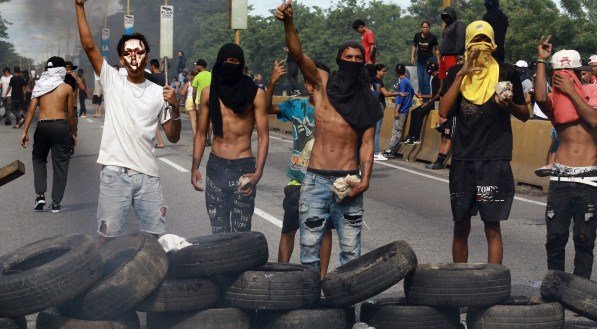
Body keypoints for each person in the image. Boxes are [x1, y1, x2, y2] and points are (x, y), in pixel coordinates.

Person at [276, 1, 382, 268]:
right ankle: (310, 305)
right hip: (314, 181)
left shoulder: (367, 101)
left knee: (350, 251)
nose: (354, 62)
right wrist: (289, 22)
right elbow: (299, 55)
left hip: (349, 182)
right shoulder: (323, 84)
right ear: (339, 60)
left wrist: (365, 181)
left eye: (359, 59)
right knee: (309, 249)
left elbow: (367, 144)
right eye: (349, 58)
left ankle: (348, 308)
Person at [75, 0, 181, 243]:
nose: (134, 57)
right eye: (128, 53)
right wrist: (79, 6)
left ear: (147, 57)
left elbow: (173, 136)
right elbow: (89, 45)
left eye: (139, 52)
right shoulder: (113, 80)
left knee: (154, 238)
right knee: (107, 237)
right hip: (115, 173)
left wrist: (175, 106)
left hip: (149, 176)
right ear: (121, 59)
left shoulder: (158, 92)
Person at [439, 21, 529, 265]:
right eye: (475, 42)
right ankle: (460, 282)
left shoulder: (506, 72)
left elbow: (525, 114)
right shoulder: (456, 73)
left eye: (486, 41)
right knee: (461, 226)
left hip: (494, 158)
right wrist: (461, 74)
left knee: (492, 226)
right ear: (467, 44)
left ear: (493, 44)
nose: (481, 48)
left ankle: (493, 283)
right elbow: (444, 111)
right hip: (463, 159)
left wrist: (508, 104)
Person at [534, 38, 597, 279]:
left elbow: (593, 120)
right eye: (558, 73)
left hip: (589, 179)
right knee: (554, 237)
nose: (562, 77)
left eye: (567, 72)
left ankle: (580, 289)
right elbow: (540, 98)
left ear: (579, 74)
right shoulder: (557, 102)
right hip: (560, 176)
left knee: (584, 238)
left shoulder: (592, 93)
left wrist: (571, 91)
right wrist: (541, 60)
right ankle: (555, 285)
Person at [191, 43, 269, 234]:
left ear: (241, 65)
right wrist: (194, 167)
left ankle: (242, 265)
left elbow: (263, 136)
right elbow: (201, 133)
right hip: (216, 165)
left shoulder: (255, 94)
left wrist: (258, 172)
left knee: (242, 231)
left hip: (243, 167)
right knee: (218, 230)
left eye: (233, 61)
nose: (229, 65)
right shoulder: (210, 92)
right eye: (225, 61)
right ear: (218, 63)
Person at [266, 60, 334, 277]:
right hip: (299, 181)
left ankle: (321, 279)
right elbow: (267, 108)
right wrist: (272, 82)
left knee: (324, 231)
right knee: (289, 229)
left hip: (326, 179)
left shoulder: (336, 110)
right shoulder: (296, 106)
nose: (319, 86)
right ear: (308, 85)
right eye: (315, 81)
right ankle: (281, 276)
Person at [19, 56, 77, 213]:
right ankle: (56, 202)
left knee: (38, 159)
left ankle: (40, 195)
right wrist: (73, 133)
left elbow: (31, 111)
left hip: (43, 126)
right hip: (61, 126)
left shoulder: (40, 86)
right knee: (61, 164)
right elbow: (71, 114)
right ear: (61, 70)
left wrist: (24, 131)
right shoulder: (66, 88)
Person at [383, 63, 415, 159]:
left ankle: (390, 150)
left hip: (401, 110)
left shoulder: (402, 83)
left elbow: (401, 98)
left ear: (397, 72)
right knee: (397, 130)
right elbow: (412, 93)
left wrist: (396, 110)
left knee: (396, 131)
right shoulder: (407, 81)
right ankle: (391, 149)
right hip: (405, 107)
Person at [405, 62, 441, 145]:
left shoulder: (439, 79)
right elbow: (434, 94)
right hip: (433, 101)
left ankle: (416, 137)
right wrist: (423, 96)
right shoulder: (434, 79)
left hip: (439, 103)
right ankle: (410, 135)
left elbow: (439, 95)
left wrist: (428, 102)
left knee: (420, 112)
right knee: (414, 112)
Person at [372, 64, 399, 161]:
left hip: (374, 106)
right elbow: (386, 93)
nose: (384, 73)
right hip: (379, 105)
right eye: (383, 71)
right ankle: (375, 152)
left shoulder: (373, 80)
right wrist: (397, 93)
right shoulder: (378, 80)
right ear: (377, 71)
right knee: (377, 131)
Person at [411, 21, 440, 98]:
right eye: (423, 27)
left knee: (426, 82)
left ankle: (426, 101)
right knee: (420, 82)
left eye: (427, 27)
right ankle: (422, 98)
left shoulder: (433, 37)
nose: (425, 29)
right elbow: (414, 46)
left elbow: (436, 49)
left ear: (429, 28)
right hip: (420, 61)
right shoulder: (417, 36)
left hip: (429, 62)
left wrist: (438, 61)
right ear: (421, 28)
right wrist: (412, 57)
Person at [439, 6, 466, 80]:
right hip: (444, 56)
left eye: (447, 16)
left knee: (452, 78)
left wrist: (458, 55)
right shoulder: (446, 27)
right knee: (443, 78)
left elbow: (461, 39)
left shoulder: (459, 24)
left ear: (452, 15)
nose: (445, 18)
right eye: (443, 16)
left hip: (453, 56)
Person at [192, 59, 212, 145]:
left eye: (197, 65)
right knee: (210, 120)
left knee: (203, 119)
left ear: (200, 66)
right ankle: (209, 139)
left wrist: (193, 102)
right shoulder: (211, 75)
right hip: (211, 99)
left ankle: (202, 138)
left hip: (201, 100)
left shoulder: (197, 76)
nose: (196, 67)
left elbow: (194, 92)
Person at [149, 58, 167, 149]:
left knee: (154, 122)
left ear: (152, 67)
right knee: (163, 121)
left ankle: (160, 142)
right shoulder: (164, 76)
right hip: (163, 99)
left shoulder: (151, 76)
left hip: (154, 100)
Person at [181, 70, 198, 136]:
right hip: (198, 99)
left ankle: (195, 134)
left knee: (192, 119)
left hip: (190, 100)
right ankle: (199, 134)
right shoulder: (198, 82)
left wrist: (182, 100)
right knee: (199, 118)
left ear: (191, 76)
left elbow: (183, 93)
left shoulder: (188, 83)